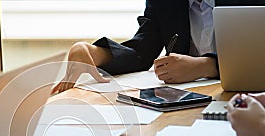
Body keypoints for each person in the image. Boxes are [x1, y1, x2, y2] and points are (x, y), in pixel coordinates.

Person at [53, 0, 220, 93]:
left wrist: (207, 66)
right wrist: (95, 53)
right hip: (186, 100)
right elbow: (142, 50)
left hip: (239, 96)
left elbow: (247, 55)